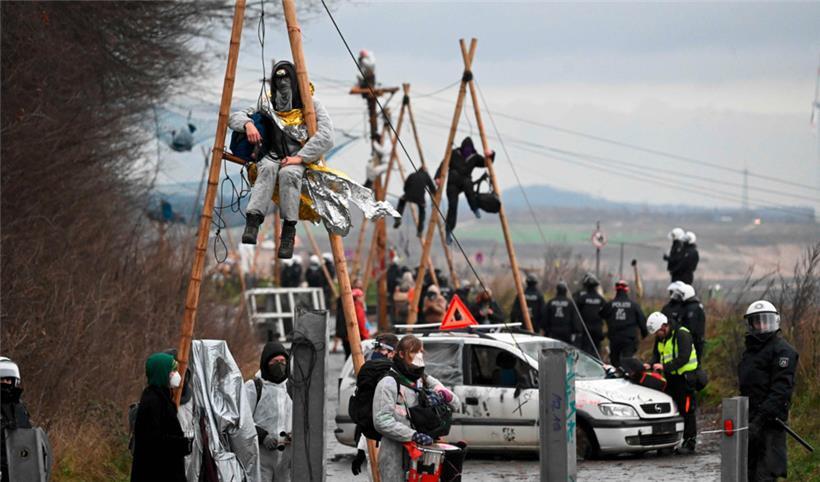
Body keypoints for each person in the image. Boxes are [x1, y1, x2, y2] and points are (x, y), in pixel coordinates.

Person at [231, 60, 335, 259]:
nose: (283, 82)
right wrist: (248, 124)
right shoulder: (267, 102)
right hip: (272, 155)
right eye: (278, 78)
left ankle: (288, 231)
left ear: (294, 79)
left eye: (287, 77)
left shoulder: (310, 104)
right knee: (267, 168)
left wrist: (300, 157)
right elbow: (235, 116)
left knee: (289, 174)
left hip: (298, 159)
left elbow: (327, 136)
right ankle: (253, 221)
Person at [372, 335, 460, 481]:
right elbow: (381, 421)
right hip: (395, 456)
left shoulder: (423, 379)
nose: (419, 356)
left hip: (424, 457)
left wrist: (442, 396)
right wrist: (412, 435)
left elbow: (456, 404)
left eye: (421, 351)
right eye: (414, 352)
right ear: (401, 354)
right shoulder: (388, 383)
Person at [738, 301, 798, 481]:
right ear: (751, 324)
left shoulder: (783, 351)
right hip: (749, 421)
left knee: (765, 475)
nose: (763, 325)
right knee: (746, 472)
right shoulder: (750, 352)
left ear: (775, 321)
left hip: (771, 424)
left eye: (767, 321)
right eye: (758, 322)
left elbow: (780, 390)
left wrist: (761, 419)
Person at [131, 353, 192, 482]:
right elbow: (154, 441)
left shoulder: (162, 398)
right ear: (162, 373)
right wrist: (183, 444)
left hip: (164, 470)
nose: (176, 374)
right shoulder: (153, 402)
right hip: (156, 472)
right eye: (172, 370)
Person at [646, 312, 699, 455]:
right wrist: (649, 364)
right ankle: (669, 441)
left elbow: (683, 357)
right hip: (671, 379)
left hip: (686, 379)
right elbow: (656, 355)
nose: (657, 336)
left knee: (687, 411)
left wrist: (665, 367)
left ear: (664, 327)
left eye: (658, 332)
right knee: (670, 409)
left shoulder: (682, 334)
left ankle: (690, 442)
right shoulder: (661, 338)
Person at [350, 333, 399, 476]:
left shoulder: (395, 375)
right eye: (376, 349)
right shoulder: (369, 374)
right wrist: (360, 451)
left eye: (380, 349)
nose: (377, 353)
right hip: (378, 441)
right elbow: (363, 413)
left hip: (387, 441)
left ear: (393, 352)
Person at [245, 342, 293, 482]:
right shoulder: (254, 387)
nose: (279, 365)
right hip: (260, 458)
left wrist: (292, 436)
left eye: (283, 361)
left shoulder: (290, 387)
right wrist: (263, 436)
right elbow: (243, 420)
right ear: (266, 363)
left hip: (286, 460)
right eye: (275, 362)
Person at [435, 137, 495, 244]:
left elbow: (487, 163)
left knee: (469, 189)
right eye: (465, 148)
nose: (467, 151)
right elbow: (443, 164)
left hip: (465, 181)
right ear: (462, 148)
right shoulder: (454, 154)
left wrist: (491, 154)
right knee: (453, 206)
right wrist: (438, 177)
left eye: (469, 149)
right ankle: (449, 230)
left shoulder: (474, 157)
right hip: (453, 183)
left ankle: (474, 207)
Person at [1, 357, 42, 482]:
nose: (6, 383)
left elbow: (27, 436)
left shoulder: (19, 408)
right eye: (2, 380)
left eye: (8, 380)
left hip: (19, 467)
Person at [599, 280, 647, 368]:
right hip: (629, 340)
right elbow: (642, 321)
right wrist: (644, 334)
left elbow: (601, 315)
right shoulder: (634, 305)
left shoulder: (610, 305)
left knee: (615, 364)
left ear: (616, 289)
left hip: (614, 339)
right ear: (627, 289)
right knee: (628, 363)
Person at [394, 166, 436, 238]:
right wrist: (435, 195)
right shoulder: (426, 176)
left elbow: (405, 187)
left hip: (409, 195)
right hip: (420, 198)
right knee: (422, 212)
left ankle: (398, 218)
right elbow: (432, 188)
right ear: (425, 171)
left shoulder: (412, 175)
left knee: (401, 201)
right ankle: (420, 231)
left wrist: (407, 194)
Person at [573, 273, 606, 357]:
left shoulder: (582, 298)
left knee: (585, 352)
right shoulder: (601, 299)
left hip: (585, 330)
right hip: (597, 329)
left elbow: (576, 313)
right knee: (597, 351)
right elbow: (606, 313)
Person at [678, 283, 706, 362]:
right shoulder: (688, 307)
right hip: (691, 341)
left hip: (694, 342)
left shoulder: (693, 308)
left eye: (682, 295)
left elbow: (690, 327)